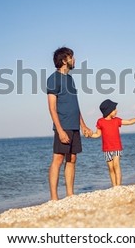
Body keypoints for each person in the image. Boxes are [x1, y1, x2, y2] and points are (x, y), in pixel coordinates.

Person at [46, 47, 92, 200]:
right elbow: (52, 108)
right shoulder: (53, 79)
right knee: (58, 159)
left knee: (72, 159)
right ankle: (54, 198)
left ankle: (70, 194)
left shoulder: (70, 79)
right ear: (64, 60)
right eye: (72, 57)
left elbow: (75, 105)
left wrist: (83, 125)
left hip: (74, 126)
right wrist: (59, 130)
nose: (74, 60)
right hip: (63, 125)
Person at [88, 99, 135, 187]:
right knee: (111, 168)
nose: (116, 111)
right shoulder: (100, 121)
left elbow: (129, 121)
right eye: (114, 109)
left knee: (116, 165)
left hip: (117, 147)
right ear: (108, 111)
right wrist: (89, 135)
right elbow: (97, 134)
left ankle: (118, 185)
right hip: (106, 149)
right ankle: (114, 185)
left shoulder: (116, 120)